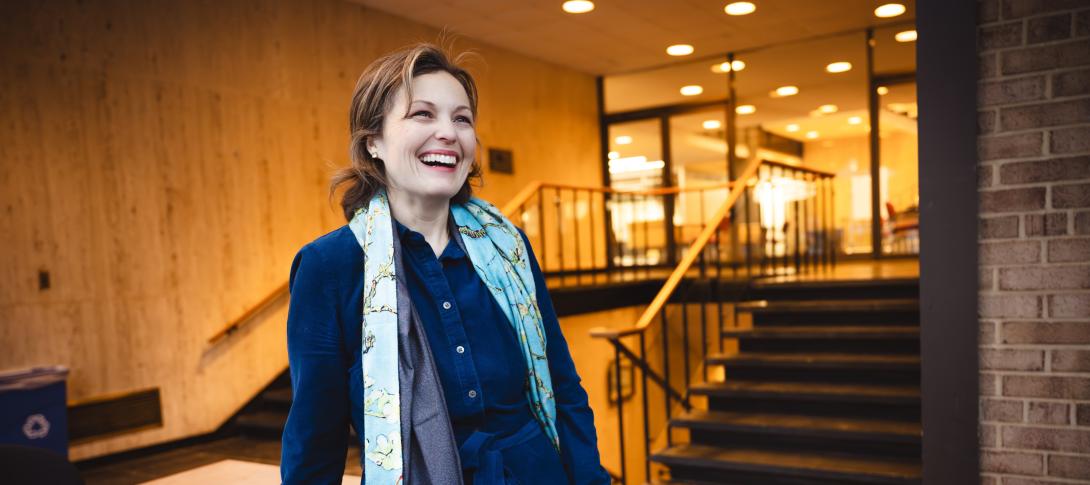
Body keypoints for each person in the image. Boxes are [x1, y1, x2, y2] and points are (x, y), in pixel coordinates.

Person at [280, 42, 611, 485]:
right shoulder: (330, 267)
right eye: (423, 114)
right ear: (373, 141)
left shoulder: (508, 248)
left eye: (462, 119)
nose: (449, 133)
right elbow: (315, 437)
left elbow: (564, 387)